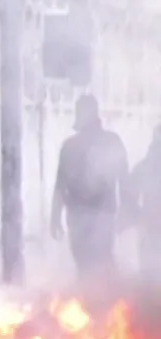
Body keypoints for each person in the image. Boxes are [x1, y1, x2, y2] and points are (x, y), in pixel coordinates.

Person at [51, 94, 128, 283]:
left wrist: (126, 211)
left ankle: (106, 299)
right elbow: (61, 184)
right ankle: (90, 299)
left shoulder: (111, 142)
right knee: (84, 263)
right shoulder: (70, 147)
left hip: (102, 215)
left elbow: (124, 180)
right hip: (78, 216)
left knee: (101, 260)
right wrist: (54, 217)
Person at [129, 123, 161, 278]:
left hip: (148, 227)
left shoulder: (143, 167)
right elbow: (129, 198)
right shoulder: (144, 168)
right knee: (150, 273)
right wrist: (141, 218)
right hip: (149, 229)